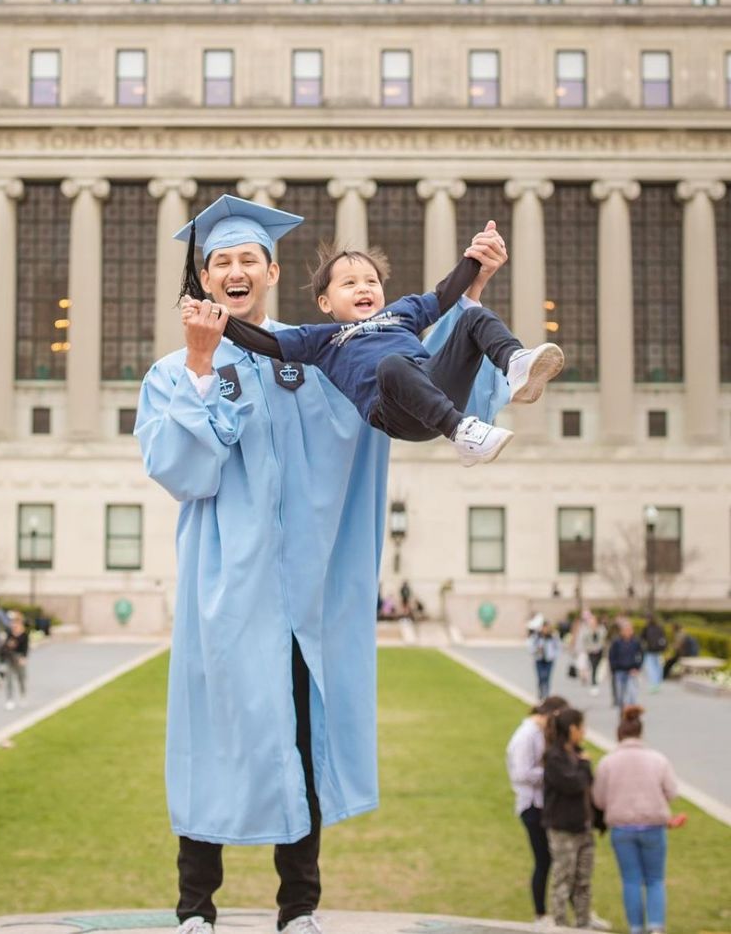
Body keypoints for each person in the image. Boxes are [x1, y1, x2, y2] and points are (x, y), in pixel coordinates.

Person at [138, 194, 510, 933]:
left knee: (305, 746)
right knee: (213, 737)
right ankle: (194, 907)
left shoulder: (323, 353)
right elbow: (186, 472)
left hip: (310, 595)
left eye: (249, 259)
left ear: (271, 272)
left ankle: (297, 908)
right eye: (221, 262)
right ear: (205, 280)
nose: (236, 271)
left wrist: (470, 300)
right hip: (227, 592)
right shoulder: (175, 372)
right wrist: (205, 366)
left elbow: (402, 395)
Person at [181, 229, 562, 468]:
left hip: (432, 387)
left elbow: (447, 294)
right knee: (393, 365)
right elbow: (266, 342)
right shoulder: (323, 340)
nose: (363, 288)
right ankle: (461, 431)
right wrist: (216, 318)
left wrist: (474, 256)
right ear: (325, 303)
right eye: (349, 283)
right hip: (393, 409)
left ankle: (516, 365)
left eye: (370, 281)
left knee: (472, 320)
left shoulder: (404, 311)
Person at [593, 706, 683, 934]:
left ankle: (636, 927)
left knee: (631, 880)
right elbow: (672, 791)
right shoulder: (657, 760)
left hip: (622, 828)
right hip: (653, 825)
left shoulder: (607, 762)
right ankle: (655, 926)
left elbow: (599, 799)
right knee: (654, 879)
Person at [542, 707, 610, 931]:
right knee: (563, 880)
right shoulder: (554, 757)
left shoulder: (577, 754)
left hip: (583, 828)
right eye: (582, 727)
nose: (584, 732)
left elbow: (588, 788)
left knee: (583, 881)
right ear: (572, 729)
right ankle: (560, 925)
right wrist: (583, 764)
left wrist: (598, 820)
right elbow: (573, 784)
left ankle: (583, 923)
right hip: (563, 829)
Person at [505, 694, 568, 929]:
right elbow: (520, 773)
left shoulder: (536, 732)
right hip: (532, 805)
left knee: (552, 858)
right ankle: (540, 913)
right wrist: (553, 774)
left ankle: (552, 910)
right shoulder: (526, 736)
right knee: (543, 860)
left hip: (541, 803)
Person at [609, 618, 644, 711]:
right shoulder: (616, 642)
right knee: (620, 694)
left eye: (630, 630)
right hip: (619, 670)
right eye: (626, 630)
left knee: (632, 694)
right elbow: (612, 656)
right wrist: (614, 668)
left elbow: (640, 655)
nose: (628, 632)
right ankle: (622, 712)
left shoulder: (636, 642)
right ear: (621, 631)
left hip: (632, 670)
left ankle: (632, 713)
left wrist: (637, 667)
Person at [0, 611, 30, 710]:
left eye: (16, 623)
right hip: (10, 658)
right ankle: (10, 699)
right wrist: (8, 644)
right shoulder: (9, 633)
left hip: (19, 658)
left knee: (21, 679)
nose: (14, 625)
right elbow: (4, 647)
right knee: (9, 679)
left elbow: (25, 648)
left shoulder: (24, 634)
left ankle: (23, 696)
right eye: (13, 623)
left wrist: (24, 658)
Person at [530, 621, 561, 700]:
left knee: (547, 677)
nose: (546, 629)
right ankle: (540, 691)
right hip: (539, 659)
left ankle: (546, 695)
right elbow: (531, 647)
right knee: (541, 677)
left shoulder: (553, 637)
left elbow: (558, 648)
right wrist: (537, 650)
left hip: (549, 660)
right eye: (544, 627)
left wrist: (553, 655)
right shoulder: (537, 637)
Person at [640, 616, 667, 694]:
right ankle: (658, 683)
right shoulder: (660, 628)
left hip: (649, 651)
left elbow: (641, 638)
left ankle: (653, 684)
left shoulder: (646, 628)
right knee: (659, 667)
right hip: (659, 651)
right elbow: (664, 639)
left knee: (651, 668)